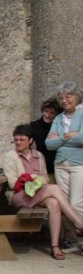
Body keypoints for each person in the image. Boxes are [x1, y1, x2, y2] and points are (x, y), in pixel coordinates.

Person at [3, 124, 83, 260]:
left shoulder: (39, 155)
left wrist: (37, 180)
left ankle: (55, 246)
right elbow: (12, 183)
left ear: (30, 140)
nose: (18, 142)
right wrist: (33, 177)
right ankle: (78, 222)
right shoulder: (10, 156)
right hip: (20, 196)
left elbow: (45, 178)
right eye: (16, 140)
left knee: (54, 203)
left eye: (22, 139)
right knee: (55, 188)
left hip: (38, 194)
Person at [46, 81, 83, 252]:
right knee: (65, 204)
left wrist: (60, 139)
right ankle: (76, 242)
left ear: (77, 97)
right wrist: (67, 137)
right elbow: (49, 144)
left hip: (79, 164)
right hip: (60, 164)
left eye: (68, 96)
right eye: (61, 98)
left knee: (76, 203)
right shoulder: (59, 118)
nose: (64, 100)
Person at [30, 96, 62, 176]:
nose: (47, 115)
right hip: (41, 164)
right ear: (42, 111)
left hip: (58, 164)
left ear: (56, 114)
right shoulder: (34, 126)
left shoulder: (60, 127)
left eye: (52, 113)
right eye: (46, 111)